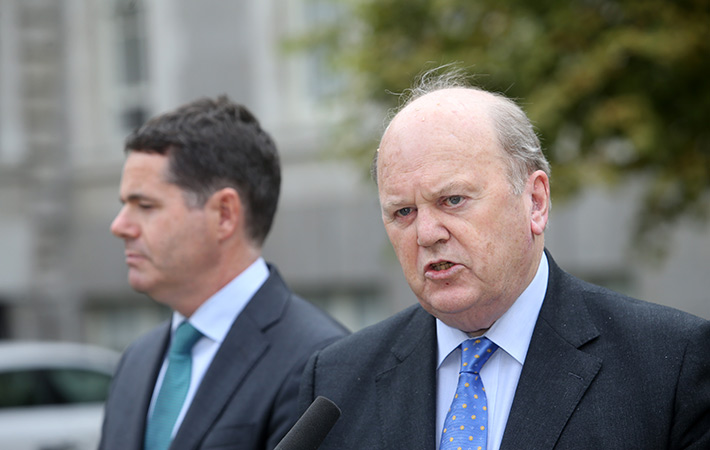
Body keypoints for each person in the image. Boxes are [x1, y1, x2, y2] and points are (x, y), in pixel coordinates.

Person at [298, 70, 710, 449]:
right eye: (403, 212)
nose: (426, 233)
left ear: (535, 202)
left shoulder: (671, 366)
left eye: (453, 200)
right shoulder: (336, 382)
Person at [100, 96, 348, 450]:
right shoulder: (136, 360)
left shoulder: (320, 362)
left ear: (225, 214)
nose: (120, 225)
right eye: (123, 205)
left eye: (145, 205)